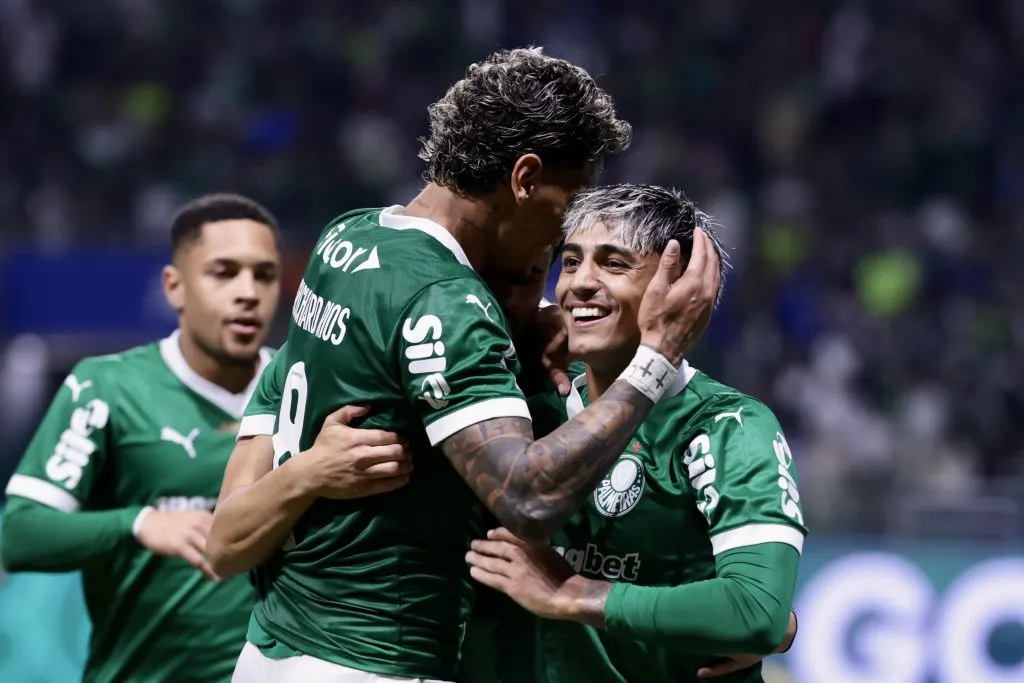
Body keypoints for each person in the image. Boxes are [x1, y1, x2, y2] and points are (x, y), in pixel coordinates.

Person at [207, 47, 722, 683]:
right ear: (524, 178)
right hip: (377, 661)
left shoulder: (349, 235)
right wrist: (656, 355)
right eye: (571, 200)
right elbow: (528, 497)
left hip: (273, 648)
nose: (566, 231)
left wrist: (534, 315)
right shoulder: (447, 302)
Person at [0, 194, 409, 683]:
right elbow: (18, 535)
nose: (248, 292)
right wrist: (140, 523)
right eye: (223, 273)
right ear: (174, 286)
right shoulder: (106, 388)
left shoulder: (312, 390)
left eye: (264, 275)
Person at [465, 184, 807, 683]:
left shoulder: (728, 426)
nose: (579, 283)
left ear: (681, 288)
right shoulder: (519, 407)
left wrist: (577, 594)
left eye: (613, 264)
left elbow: (756, 611)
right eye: (571, 262)